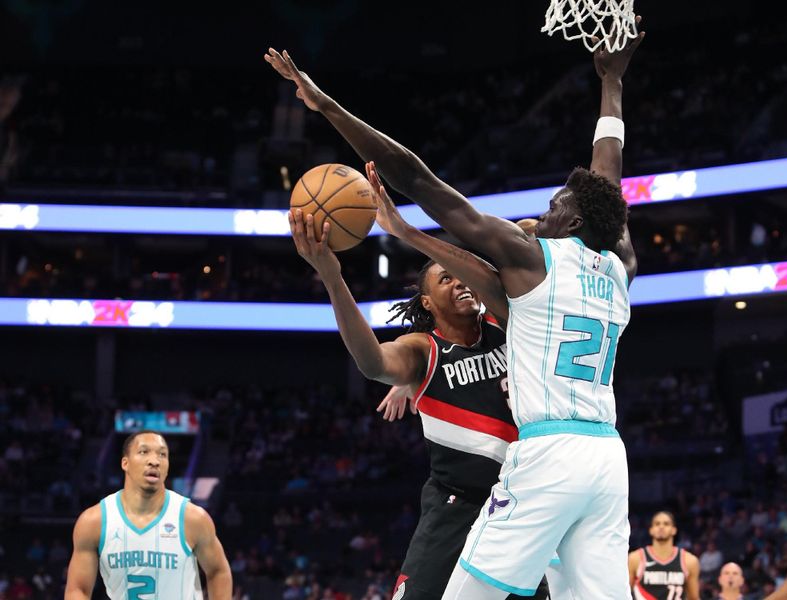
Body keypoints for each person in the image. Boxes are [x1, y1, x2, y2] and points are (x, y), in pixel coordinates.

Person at [266, 15, 644, 597]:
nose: (541, 215)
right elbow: (607, 181)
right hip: (607, 460)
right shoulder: (619, 268)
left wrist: (327, 108)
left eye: (552, 207)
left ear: (571, 223)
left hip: (547, 458)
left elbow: (417, 177)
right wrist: (612, 84)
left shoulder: (533, 258)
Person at [287, 179, 546, 599]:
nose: (460, 283)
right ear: (426, 303)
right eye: (445, 280)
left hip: (521, 498)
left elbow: (527, 235)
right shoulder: (422, 351)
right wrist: (334, 279)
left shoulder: (506, 322)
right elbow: (373, 363)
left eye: (461, 276)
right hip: (457, 503)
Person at [65, 430, 232, 599]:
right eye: (144, 452)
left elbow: (218, 572)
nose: (154, 461)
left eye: (162, 455)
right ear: (125, 463)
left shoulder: (193, 518)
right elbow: (78, 589)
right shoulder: (94, 521)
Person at [629, 511, 700, 600]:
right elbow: (623, 594)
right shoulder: (635, 558)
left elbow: (693, 598)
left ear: (674, 530)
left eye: (666, 524)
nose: (661, 527)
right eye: (657, 524)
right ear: (651, 530)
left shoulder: (689, 561)